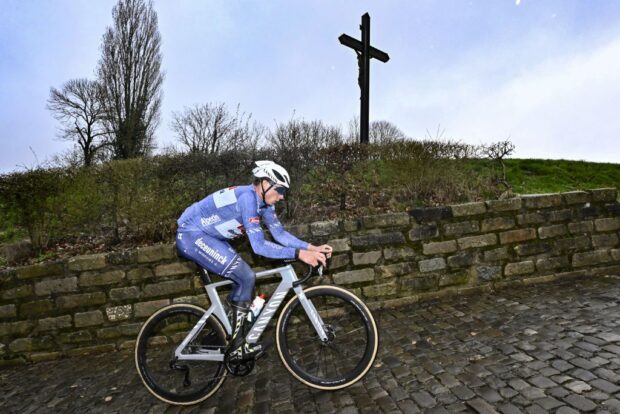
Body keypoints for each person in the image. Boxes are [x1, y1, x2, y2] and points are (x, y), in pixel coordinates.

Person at [175, 160, 333, 358]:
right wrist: (299, 254)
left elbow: (280, 235)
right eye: (280, 190)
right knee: (246, 277)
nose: (282, 196)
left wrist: (311, 247)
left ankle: (227, 332)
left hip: (211, 238)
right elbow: (258, 246)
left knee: (243, 282)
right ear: (265, 183)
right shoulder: (248, 198)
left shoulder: (264, 204)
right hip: (192, 235)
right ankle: (238, 345)